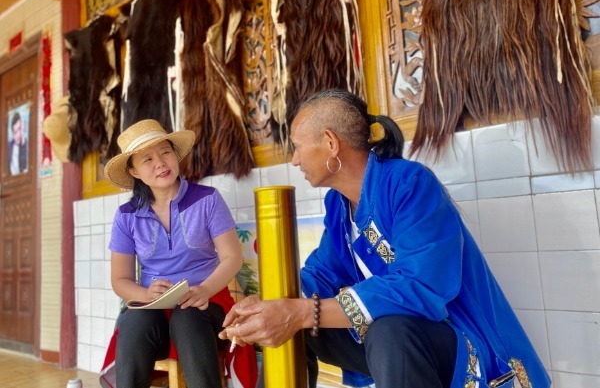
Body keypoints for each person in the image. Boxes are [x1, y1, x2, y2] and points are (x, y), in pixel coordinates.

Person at [221, 89, 550, 388]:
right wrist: (271, 302)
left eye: (297, 146)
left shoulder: (409, 184)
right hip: (394, 341)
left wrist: (303, 311)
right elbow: (320, 274)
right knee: (291, 322)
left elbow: (422, 284)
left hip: (456, 341)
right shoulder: (338, 204)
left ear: (331, 143)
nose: (293, 160)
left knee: (389, 329)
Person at [104, 119, 245, 388]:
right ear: (134, 171)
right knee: (135, 323)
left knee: (188, 317)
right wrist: (145, 295)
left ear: (175, 155)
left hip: (207, 304)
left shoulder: (207, 199)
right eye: (147, 158)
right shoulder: (126, 216)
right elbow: (119, 280)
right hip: (153, 310)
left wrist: (204, 289)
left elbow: (232, 257)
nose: (160, 162)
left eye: (165, 152)